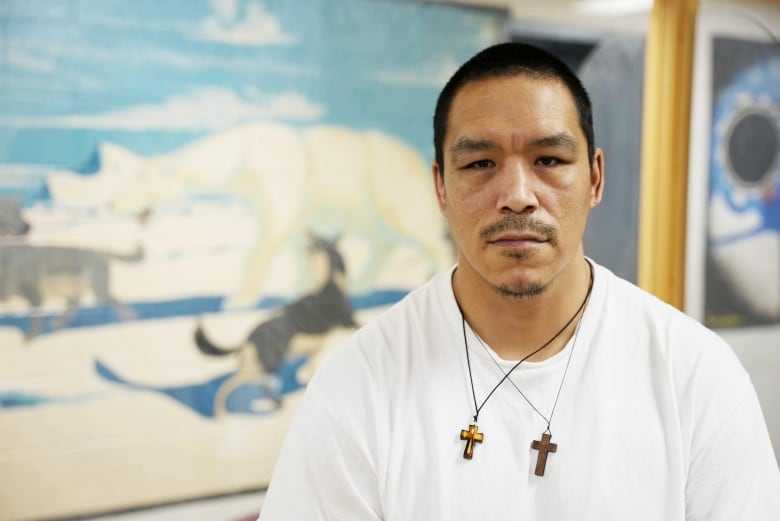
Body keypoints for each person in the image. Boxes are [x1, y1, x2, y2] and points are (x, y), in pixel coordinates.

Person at [258, 42, 780, 520]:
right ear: (440, 186)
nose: (517, 194)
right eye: (480, 162)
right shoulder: (360, 383)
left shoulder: (693, 374)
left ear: (595, 178)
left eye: (549, 159)